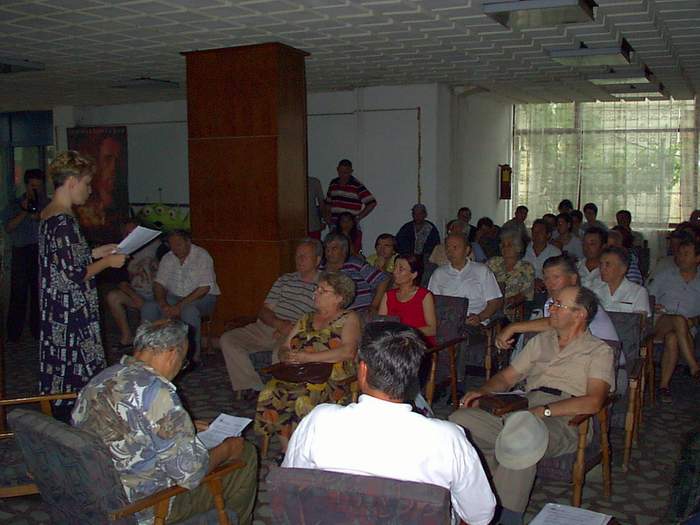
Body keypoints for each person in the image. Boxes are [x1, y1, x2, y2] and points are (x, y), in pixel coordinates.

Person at [283, 322, 497, 525]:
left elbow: (289, 488)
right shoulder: (447, 439)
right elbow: (480, 515)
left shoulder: (319, 421)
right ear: (414, 376)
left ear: (363, 371)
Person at [450, 285, 615, 525]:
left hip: (565, 419)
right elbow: (507, 377)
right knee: (460, 421)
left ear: (579, 314)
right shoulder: (541, 341)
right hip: (522, 409)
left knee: (521, 438)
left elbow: (594, 401)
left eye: (559, 305)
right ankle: (481, 495)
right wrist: (482, 391)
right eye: (552, 303)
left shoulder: (598, 351)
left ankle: (505, 517)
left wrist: (544, 411)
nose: (551, 309)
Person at [72, 319, 257, 525]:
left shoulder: (102, 379)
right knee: (246, 454)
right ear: (172, 354)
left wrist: (185, 427)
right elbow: (189, 473)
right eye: (183, 362)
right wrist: (227, 450)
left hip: (97, 496)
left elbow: (130, 423)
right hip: (144, 507)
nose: (180, 368)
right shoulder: (157, 392)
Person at [39, 151, 127, 421]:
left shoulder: (49, 213)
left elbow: (64, 259)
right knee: (77, 368)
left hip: (57, 306)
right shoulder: (63, 220)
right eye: (87, 183)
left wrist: (96, 253)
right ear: (72, 181)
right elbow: (75, 273)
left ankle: (64, 418)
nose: (89, 190)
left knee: (62, 367)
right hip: (71, 311)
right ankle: (79, 420)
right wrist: (108, 262)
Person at [254, 271, 360, 454]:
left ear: (339, 297)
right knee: (270, 391)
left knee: (302, 397)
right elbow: (285, 345)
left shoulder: (349, 318)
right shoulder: (306, 318)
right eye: (316, 289)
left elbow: (348, 352)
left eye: (322, 290)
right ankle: (288, 450)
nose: (315, 293)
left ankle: (300, 449)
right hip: (299, 372)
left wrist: (308, 357)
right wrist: (286, 355)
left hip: (331, 377)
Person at [219, 239, 322, 398]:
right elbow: (264, 311)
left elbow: (322, 317)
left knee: (280, 353)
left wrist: (291, 329)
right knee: (228, 339)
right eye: (297, 256)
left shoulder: (324, 285)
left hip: (295, 331)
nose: (299, 260)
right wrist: (278, 324)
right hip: (268, 326)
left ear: (317, 260)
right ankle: (252, 386)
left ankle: (278, 395)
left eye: (305, 256)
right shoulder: (285, 280)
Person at [496, 255, 619, 353]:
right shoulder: (550, 303)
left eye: (556, 277)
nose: (550, 283)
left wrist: (513, 327)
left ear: (573, 279)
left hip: (603, 361)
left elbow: (556, 323)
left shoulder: (583, 300)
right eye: (546, 278)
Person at [141, 230, 220, 364]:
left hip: (201, 298)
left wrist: (179, 306)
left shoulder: (202, 255)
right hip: (174, 296)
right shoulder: (168, 257)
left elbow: (204, 288)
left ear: (188, 242)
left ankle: (192, 356)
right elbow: (159, 284)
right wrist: (163, 303)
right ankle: (147, 350)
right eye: (171, 245)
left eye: (178, 244)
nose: (175, 249)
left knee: (189, 311)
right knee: (149, 307)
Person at [647, 239, 700, 400]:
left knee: (673, 338)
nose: (681, 258)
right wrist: (653, 305)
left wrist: (694, 321)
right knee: (678, 320)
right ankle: (694, 367)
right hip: (661, 322)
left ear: (697, 258)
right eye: (679, 254)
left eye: (686, 254)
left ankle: (663, 386)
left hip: (688, 329)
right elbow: (646, 297)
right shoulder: (665, 275)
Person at [2, 168, 48, 342]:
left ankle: (38, 331)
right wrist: (24, 211)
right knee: (18, 293)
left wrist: (40, 217)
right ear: (26, 185)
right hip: (21, 251)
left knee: (39, 293)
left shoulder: (48, 204)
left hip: (40, 251)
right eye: (32, 186)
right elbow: (8, 227)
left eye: (39, 186)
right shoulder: (15, 204)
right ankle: (14, 333)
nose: (35, 189)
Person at [106, 219, 160, 351]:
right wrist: (135, 296)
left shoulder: (158, 247)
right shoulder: (122, 251)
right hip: (137, 292)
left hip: (158, 292)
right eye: (127, 233)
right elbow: (121, 281)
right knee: (113, 296)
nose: (130, 235)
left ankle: (147, 344)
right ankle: (127, 338)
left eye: (133, 232)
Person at [428, 233, 503, 327]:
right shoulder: (439, 273)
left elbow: (494, 301)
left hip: (474, 322)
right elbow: (431, 303)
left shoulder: (482, 271)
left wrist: (480, 317)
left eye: (455, 247)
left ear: (467, 250)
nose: (450, 252)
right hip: (447, 321)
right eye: (447, 248)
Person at [322, 232, 389, 313]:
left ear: (344, 250)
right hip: (331, 314)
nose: (329, 252)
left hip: (360, 313)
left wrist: (374, 306)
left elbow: (383, 279)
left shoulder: (354, 264)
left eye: (334, 248)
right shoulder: (321, 268)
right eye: (327, 248)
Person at [379, 254, 437, 346]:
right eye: (395, 267)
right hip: (394, 343)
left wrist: (405, 333)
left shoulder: (424, 295)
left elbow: (432, 329)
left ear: (413, 274)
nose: (395, 272)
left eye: (401, 269)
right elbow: (380, 323)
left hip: (417, 342)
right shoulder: (388, 295)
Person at [486, 231, 534, 321]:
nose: (505, 248)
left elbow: (526, 294)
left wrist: (513, 300)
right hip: (487, 303)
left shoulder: (526, 268)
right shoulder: (493, 262)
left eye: (509, 245)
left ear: (518, 248)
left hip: (509, 308)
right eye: (503, 245)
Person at [591, 246, 651, 316]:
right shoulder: (593, 289)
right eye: (601, 264)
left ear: (623, 269)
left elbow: (639, 320)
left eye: (608, 264)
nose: (602, 269)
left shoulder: (638, 292)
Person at [324, 159, 376, 226]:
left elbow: (372, 203)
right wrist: (328, 216)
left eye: (345, 172)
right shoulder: (333, 183)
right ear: (337, 169)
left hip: (350, 226)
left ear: (351, 171)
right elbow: (328, 203)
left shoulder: (357, 185)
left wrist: (358, 218)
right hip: (335, 224)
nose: (342, 175)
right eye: (340, 172)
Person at [523, 219, 561, 296]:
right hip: (524, 289)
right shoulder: (523, 250)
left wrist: (542, 283)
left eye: (540, 231)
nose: (536, 234)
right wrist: (532, 282)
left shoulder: (555, 253)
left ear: (548, 235)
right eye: (534, 231)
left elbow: (557, 276)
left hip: (546, 290)